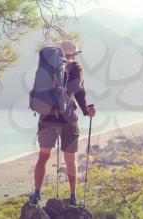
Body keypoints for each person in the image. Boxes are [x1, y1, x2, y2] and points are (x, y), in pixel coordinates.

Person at [29, 40, 96, 207]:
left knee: (43, 157)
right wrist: (86, 110)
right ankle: (73, 197)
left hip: (46, 117)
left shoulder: (48, 67)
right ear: (73, 54)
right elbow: (79, 91)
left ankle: (37, 195)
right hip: (68, 118)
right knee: (70, 158)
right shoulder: (76, 67)